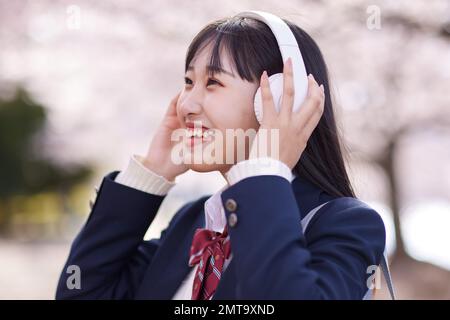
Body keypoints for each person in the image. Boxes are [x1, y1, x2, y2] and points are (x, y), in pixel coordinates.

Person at [55, 12, 386, 300]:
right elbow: (83, 292)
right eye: (188, 81)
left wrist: (265, 173)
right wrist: (150, 174)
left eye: (213, 82)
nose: (186, 105)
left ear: (282, 97)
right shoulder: (195, 221)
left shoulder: (346, 224)